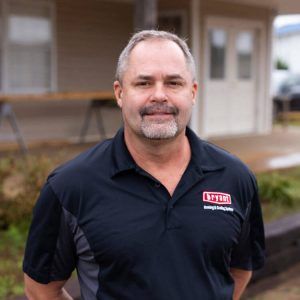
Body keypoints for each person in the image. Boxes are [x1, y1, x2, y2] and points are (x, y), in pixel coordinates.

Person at [23, 30, 265, 300]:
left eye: (174, 83)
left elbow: (241, 269)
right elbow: (40, 290)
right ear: (120, 93)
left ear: (193, 92)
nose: (159, 95)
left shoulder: (235, 178)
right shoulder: (70, 186)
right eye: (144, 83)